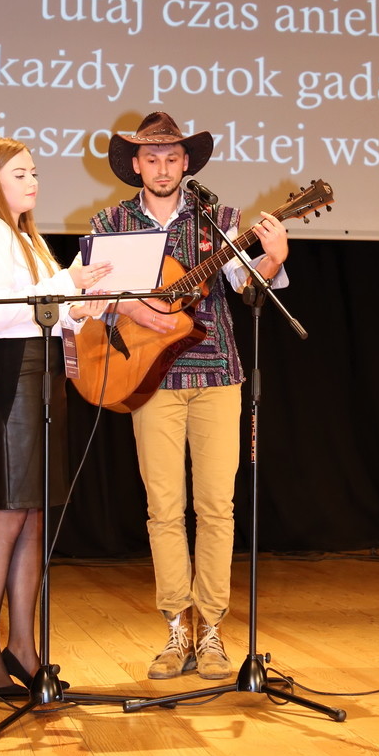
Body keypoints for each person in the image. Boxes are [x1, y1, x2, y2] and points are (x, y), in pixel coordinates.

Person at [89, 112, 288, 680]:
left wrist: (274, 257)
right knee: (164, 508)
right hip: (148, 378)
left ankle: (213, 631)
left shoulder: (219, 220)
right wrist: (134, 307)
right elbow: (90, 297)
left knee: (217, 507)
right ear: (135, 164)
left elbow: (248, 287)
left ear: (186, 164)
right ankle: (177, 628)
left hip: (218, 375)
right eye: (151, 158)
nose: (162, 168)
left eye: (172, 158)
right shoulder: (112, 222)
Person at [0, 137, 112, 698]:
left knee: (34, 516)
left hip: (42, 373)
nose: (32, 182)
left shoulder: (28, 237)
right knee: (7, 515)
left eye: (35, 172)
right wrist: (68, 284)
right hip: (10, 377)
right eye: (19, 173)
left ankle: (22, 645)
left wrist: (81, 306)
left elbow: (46, 310)